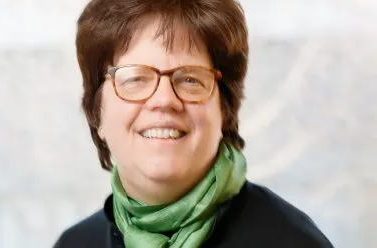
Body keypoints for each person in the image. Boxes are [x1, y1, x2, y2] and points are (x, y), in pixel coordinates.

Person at [54, 0, 334, 247]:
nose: (164, 100)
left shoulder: (292, 242)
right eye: (136, 79)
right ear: (95, 111)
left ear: (225, 110)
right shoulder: (75, 244)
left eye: (190, 79)